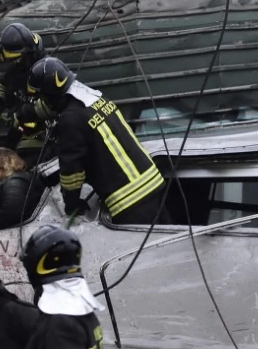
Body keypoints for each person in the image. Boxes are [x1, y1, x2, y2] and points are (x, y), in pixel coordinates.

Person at [27, 56, 166, 225]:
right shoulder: (95, 100)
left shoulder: (70, 119)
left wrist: (72, 205)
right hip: (153, 182)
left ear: (50, 95)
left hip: (129, 200)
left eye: (41, 97)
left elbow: (72, 171)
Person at [0, 23, 52, 168]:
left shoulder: (48, 71)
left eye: (16, 60)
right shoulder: (19, 67)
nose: (14, 64)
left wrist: (21, 115)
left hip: (44, 138)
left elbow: (51, 105)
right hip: (19, 133)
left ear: (28, 53)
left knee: (20, 171)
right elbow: (3, 85)